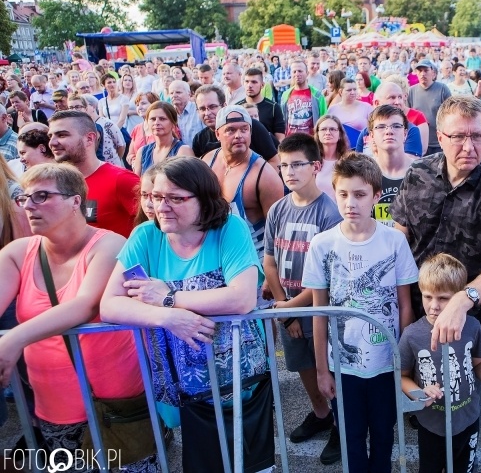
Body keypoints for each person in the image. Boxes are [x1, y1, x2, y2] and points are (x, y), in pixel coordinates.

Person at [100, 157, 274, 473]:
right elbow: (110, 304)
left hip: (237, 381)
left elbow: (242, 297)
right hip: (179, 385)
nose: (161, 207)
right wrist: (169, 317)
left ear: (204, 198)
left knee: (249, 464)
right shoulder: (145, 235)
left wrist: (168, 298)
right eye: (156, 197)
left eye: (175, 198)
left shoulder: (229, 228)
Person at [0, 163, 157, 471]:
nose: (29, 205)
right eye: (24, 198)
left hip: (115, 406)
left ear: (75, 202)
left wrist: (15, 338)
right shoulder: (17, 253)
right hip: (54, 408)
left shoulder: (110, 244)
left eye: (42, 196)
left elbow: (85, 305)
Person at [303, 152, 418, 473]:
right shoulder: (322, 245)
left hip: (386, 365)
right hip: (343, 368)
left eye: (359, 194)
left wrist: (403, 365)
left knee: (383, 435)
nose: (350, 203)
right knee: (350, 437)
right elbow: (319, 313)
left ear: (376, 196)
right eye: (343, 194)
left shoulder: (394, 241)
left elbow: (405, 306)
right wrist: (322, 371)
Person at [391, 96, 481, 347]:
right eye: (458, 137)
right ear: (440, 138)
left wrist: (464, 299)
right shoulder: (418, 173)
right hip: (416, 311)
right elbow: (399, 237)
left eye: (477, 136)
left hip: (470, 320)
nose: (469, 147)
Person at [263, 133, 342, 464]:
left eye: (298, 164)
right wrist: (286, 311)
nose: (290, 172)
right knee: (302, 366)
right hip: (289, 309)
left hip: (317, 310)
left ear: (316, 167)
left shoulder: (329, 214)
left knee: (329, 369)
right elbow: (270, 261)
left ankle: (340, 424)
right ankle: (321, 413)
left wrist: (290, 309)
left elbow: (327, 279)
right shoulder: (278, 209)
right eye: (284, 166)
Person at [398, 253, 481, 473]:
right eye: (427, 296)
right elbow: (401, 376)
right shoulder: (411, 335)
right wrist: (420, 393)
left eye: (443, 298)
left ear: (459, 297)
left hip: (468, 419)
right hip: (431, 423)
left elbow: (478, 364)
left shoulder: (472, 326)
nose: (434, 305)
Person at [202, 105, 284, 305]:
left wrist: (271, 275)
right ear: (218, 133)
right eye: (231, 130)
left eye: (244, 129)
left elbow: (278, 232)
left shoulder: (265, 175)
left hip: (252, 263)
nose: (238, 135)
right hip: (214, 258)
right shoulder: (207, 161)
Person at [48, 110, 139, 237]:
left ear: (89, 138)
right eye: (50, 136)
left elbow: (153, 229)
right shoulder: (53, 184)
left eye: (62, 135)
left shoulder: (122, 180)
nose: (52, 142)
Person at [368, 104, 415, 228]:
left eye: (396, 126)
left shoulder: (422, 173)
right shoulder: (363, 174)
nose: (389, 131)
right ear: (372, 136)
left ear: (405, 133)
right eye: (381, 127)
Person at [132, 101, 193, 176]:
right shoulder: (142, 152)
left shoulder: (183, 150)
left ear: (173, 123)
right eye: (153, 119)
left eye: (162, 119)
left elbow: (189, 181)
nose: (156, 123)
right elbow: (136, 181)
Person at [407, 59, 451, 154]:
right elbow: (407, 115)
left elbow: (451, 113)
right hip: (418, 142)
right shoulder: (411, 91)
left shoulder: (442, 89)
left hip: (439, 143)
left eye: (426, 70)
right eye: (420, 71)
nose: (423, 74)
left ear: (433, 73)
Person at [281, 59, 328, 137]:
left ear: (307, 73)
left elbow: (324, 119)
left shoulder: (317, 95)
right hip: (291, 140)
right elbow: (283, 119)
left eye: (300, 71)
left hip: (311, 140)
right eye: (294, 71)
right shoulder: (285, 95)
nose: (297, 74)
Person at [243, 68, 285, 141]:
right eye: (247, 81)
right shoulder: (237, 107)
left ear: (262, 85)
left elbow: (280, 138)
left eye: (254, 82)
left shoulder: (273, 107)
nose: (249, 85)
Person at [314, 114, 349, 201]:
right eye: (323, 129)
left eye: (332, 129)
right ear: (318, 134)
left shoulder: (348, 162)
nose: (328, 133)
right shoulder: (310, 161)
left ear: (340, 134)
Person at [127, 92, 159, 168]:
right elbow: (130, 155)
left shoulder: (163, 125)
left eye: (143, 103)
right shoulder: (137, 128)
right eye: (137, 105)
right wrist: (135, 163)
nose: (139, 107)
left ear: (154, 104)